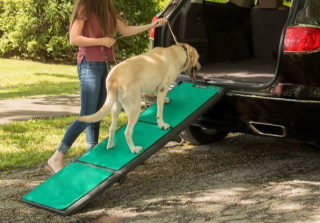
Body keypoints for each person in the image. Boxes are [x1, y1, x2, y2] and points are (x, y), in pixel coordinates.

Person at [46, 0, 167, 174]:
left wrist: (153, 24)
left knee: (99, 111)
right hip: (89, 65)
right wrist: (103, 40)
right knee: (88, 114)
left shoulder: (108, 7)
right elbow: (74, 38)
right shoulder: (85, 6)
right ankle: (56, 158)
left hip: (105, 67)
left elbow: (126, 30)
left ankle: (91, 153)